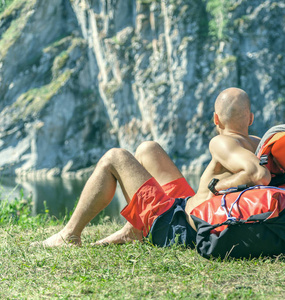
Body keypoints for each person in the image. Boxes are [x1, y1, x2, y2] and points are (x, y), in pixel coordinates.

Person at [32, 87, 271, 247]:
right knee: (148, 149)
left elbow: (258, 175)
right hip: (187, 209)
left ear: (216, 119)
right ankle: (133, 230)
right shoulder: (258, 143)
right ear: (250, 119)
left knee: (115, 157)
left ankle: (69, 235)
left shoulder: (222, 141)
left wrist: (215, 185)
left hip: (179, 227)